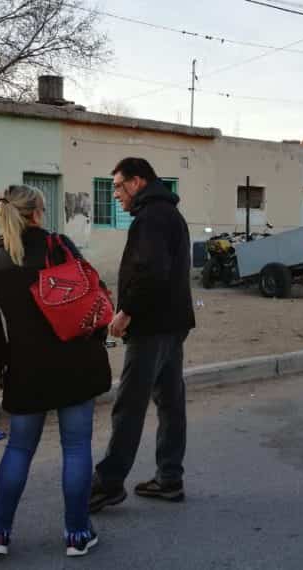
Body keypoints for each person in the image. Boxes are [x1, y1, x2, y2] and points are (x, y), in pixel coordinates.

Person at [0, 185, 112, 558]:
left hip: (25, 367)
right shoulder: (58, 244)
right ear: (37, 212)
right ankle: (77, 534)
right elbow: (93, 292)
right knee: (76, 447)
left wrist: (4, 364)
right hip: (74, 362)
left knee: (18, 449)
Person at [90, 158, 196, 513]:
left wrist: (125, 312)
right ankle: (170, 478)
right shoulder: (169, 214)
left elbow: (151, 271)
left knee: (130, 406)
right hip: (172, 324)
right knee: (170, 402)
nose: (116, 195)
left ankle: (108, 483)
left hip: (151, 327)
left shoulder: (151, 217)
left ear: (137, 182)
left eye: (118, 187)